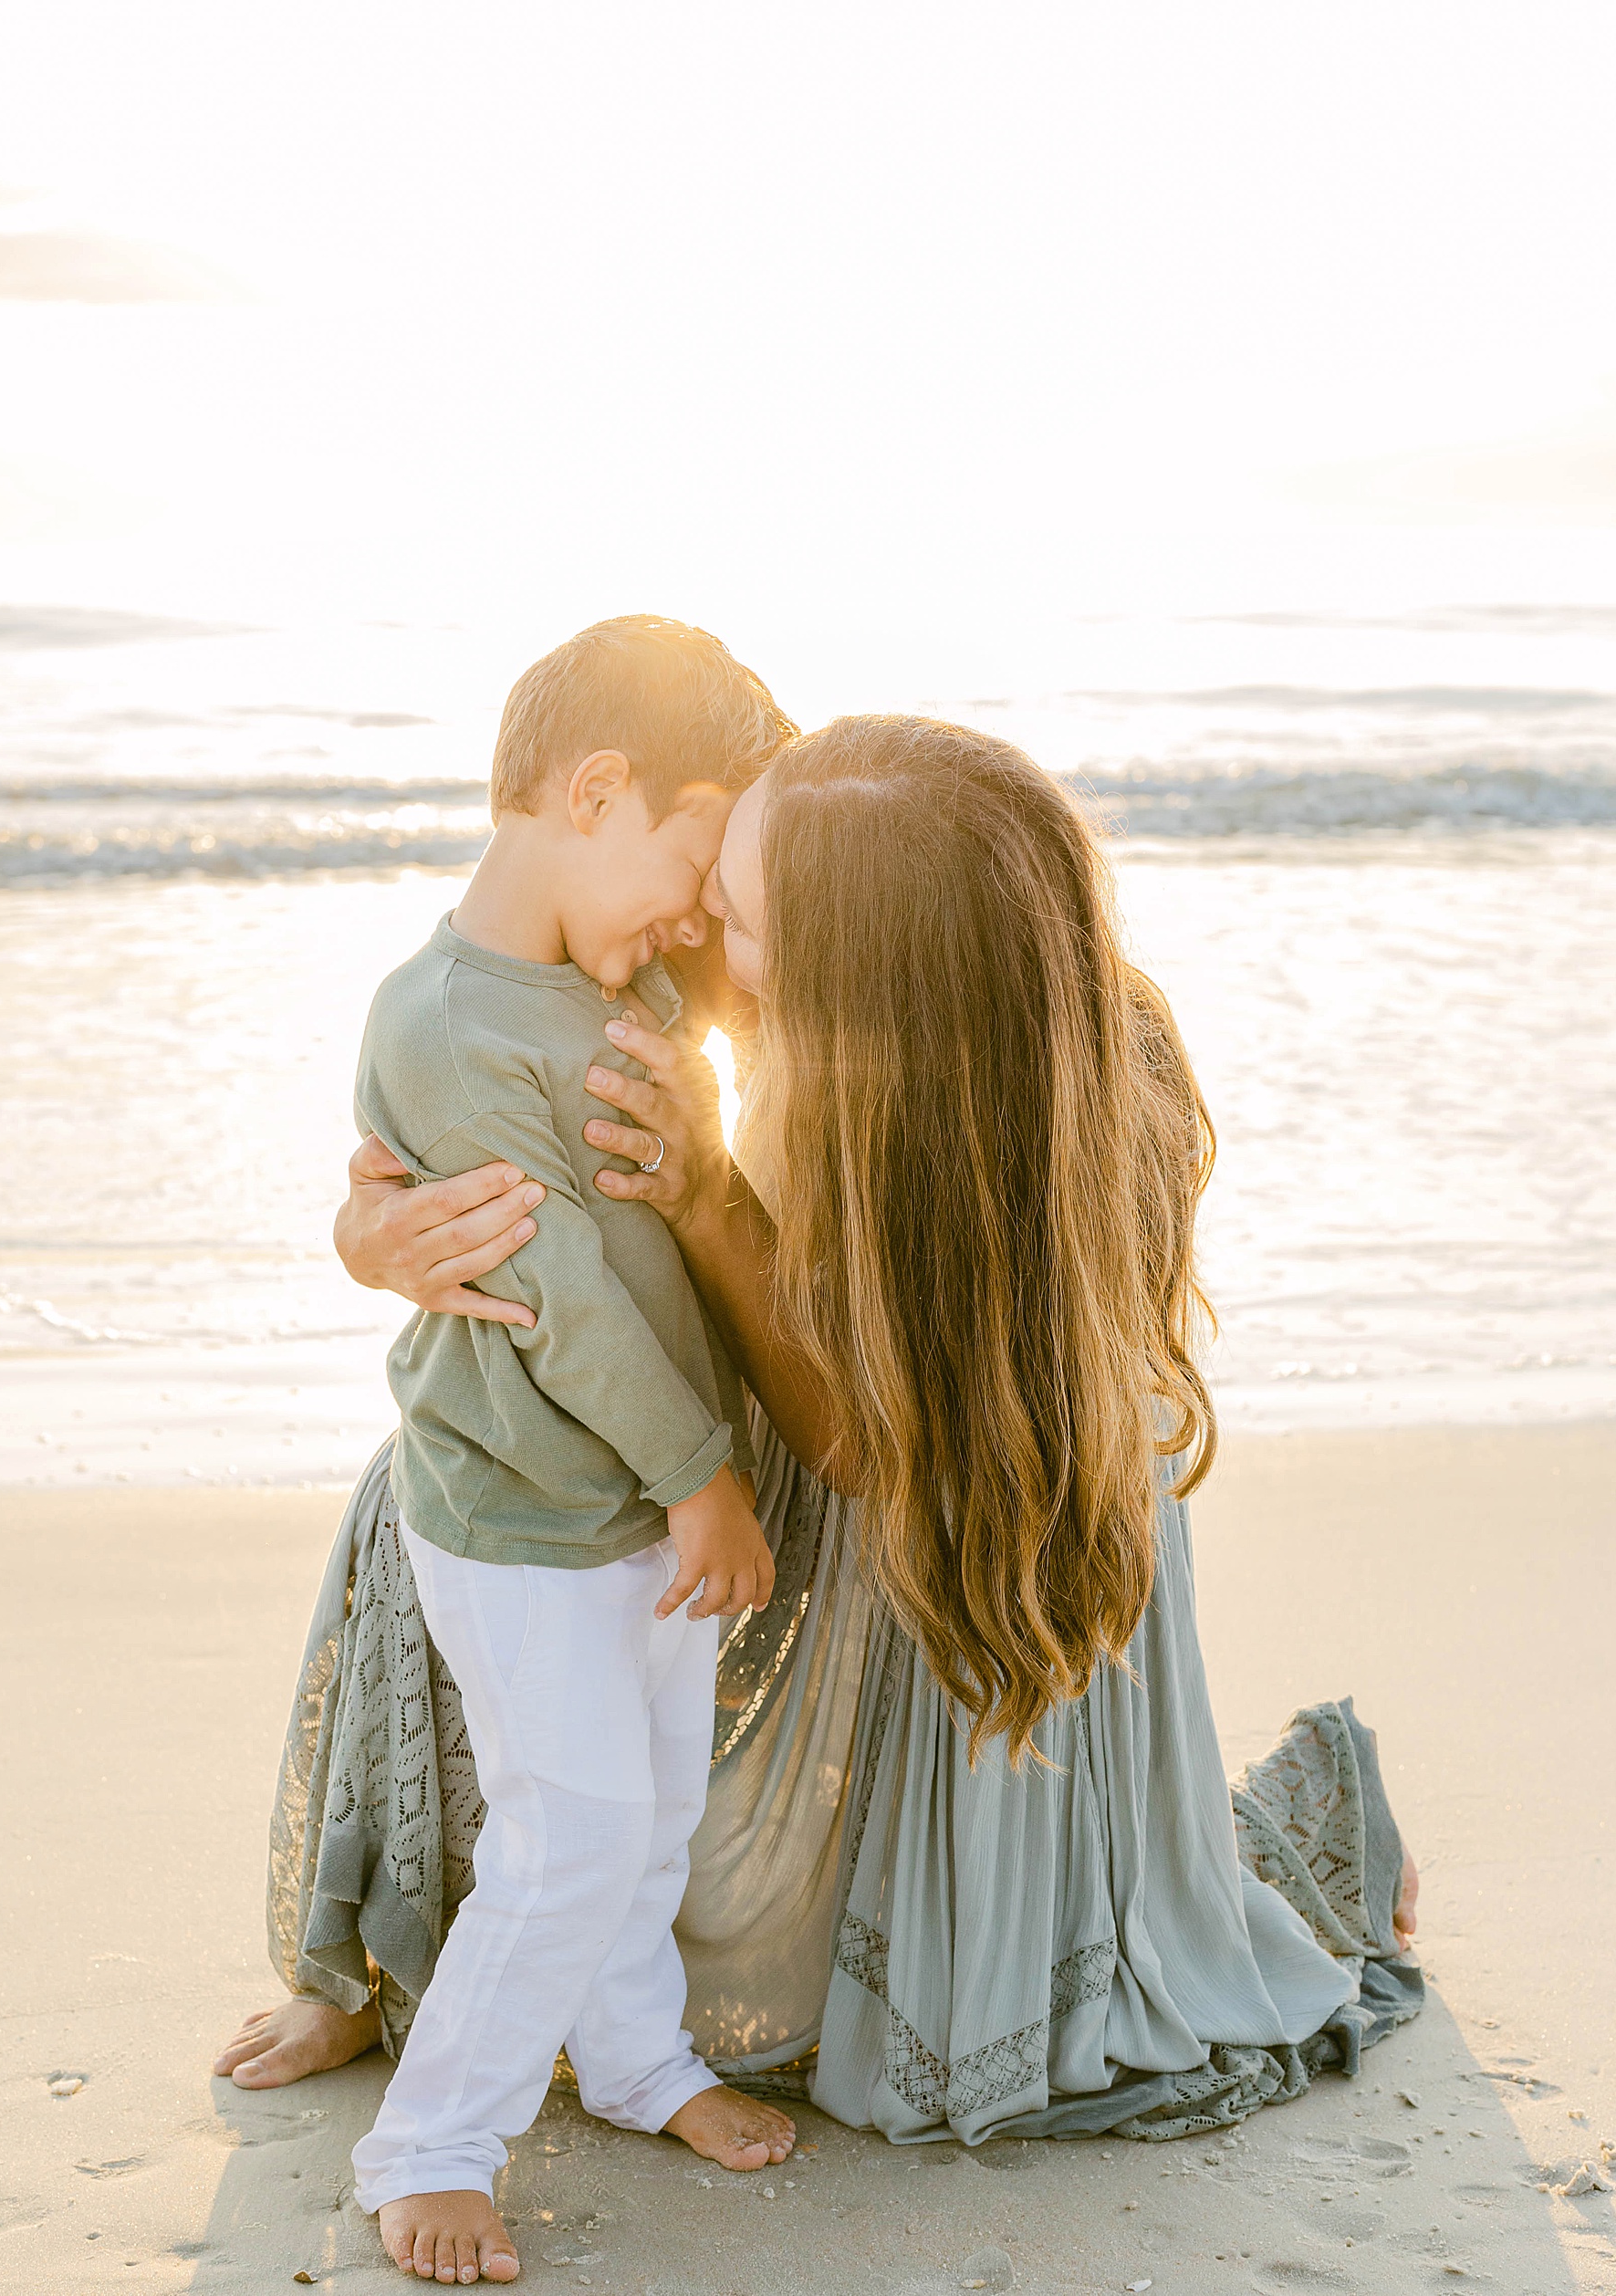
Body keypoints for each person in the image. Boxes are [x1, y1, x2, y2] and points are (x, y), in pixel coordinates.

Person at [221, 715, 1420, 2270]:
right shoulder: (799, 849)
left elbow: (887, 1451)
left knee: (683, 1900)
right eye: (717, 875)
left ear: (865, 969)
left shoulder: (1089, 1096)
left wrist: (717, 1202)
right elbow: (482, 1075)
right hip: (751, 1439)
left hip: (962, 1522)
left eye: (744, 910)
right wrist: (375, 1232)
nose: (707, 923)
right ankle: (378, 1959)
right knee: (437, 1486)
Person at [328, 617, 802, 2286]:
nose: (697, 910)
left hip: (633, 1512)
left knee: (653, 1805)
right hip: (527, 1515)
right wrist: (710, 1480)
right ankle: (435, 2142)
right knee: (574, 1828)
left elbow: (760, 974)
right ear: (594, 790)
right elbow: (568, 1303)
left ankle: (639, 2061)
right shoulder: (451, 1025)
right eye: (690, 855)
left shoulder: (633, 970)